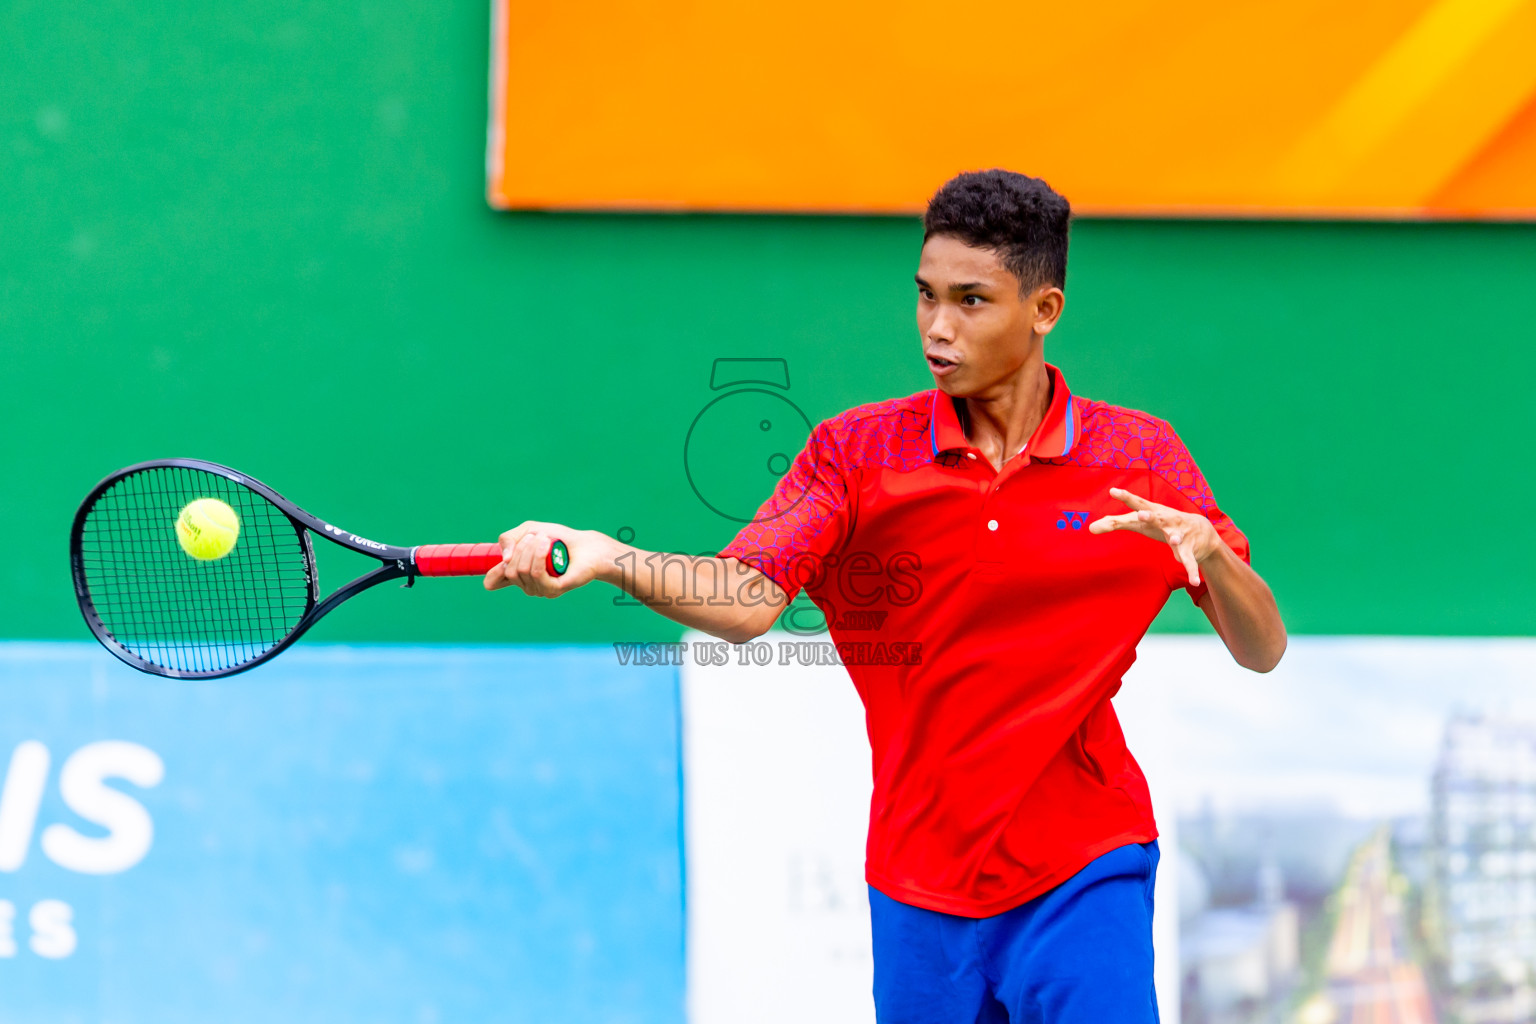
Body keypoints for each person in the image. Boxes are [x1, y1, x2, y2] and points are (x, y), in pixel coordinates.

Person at [485, 169, 1286, 1023]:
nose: (938, 328)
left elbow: (1261, 648)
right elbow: (746, 596)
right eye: (926, 296)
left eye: (971, 301)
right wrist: (612, 559)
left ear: (1043, 310)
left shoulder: (1141, 457)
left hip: (1084, 868)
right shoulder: (854, 455)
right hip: (919, 885)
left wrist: (1213, 557)